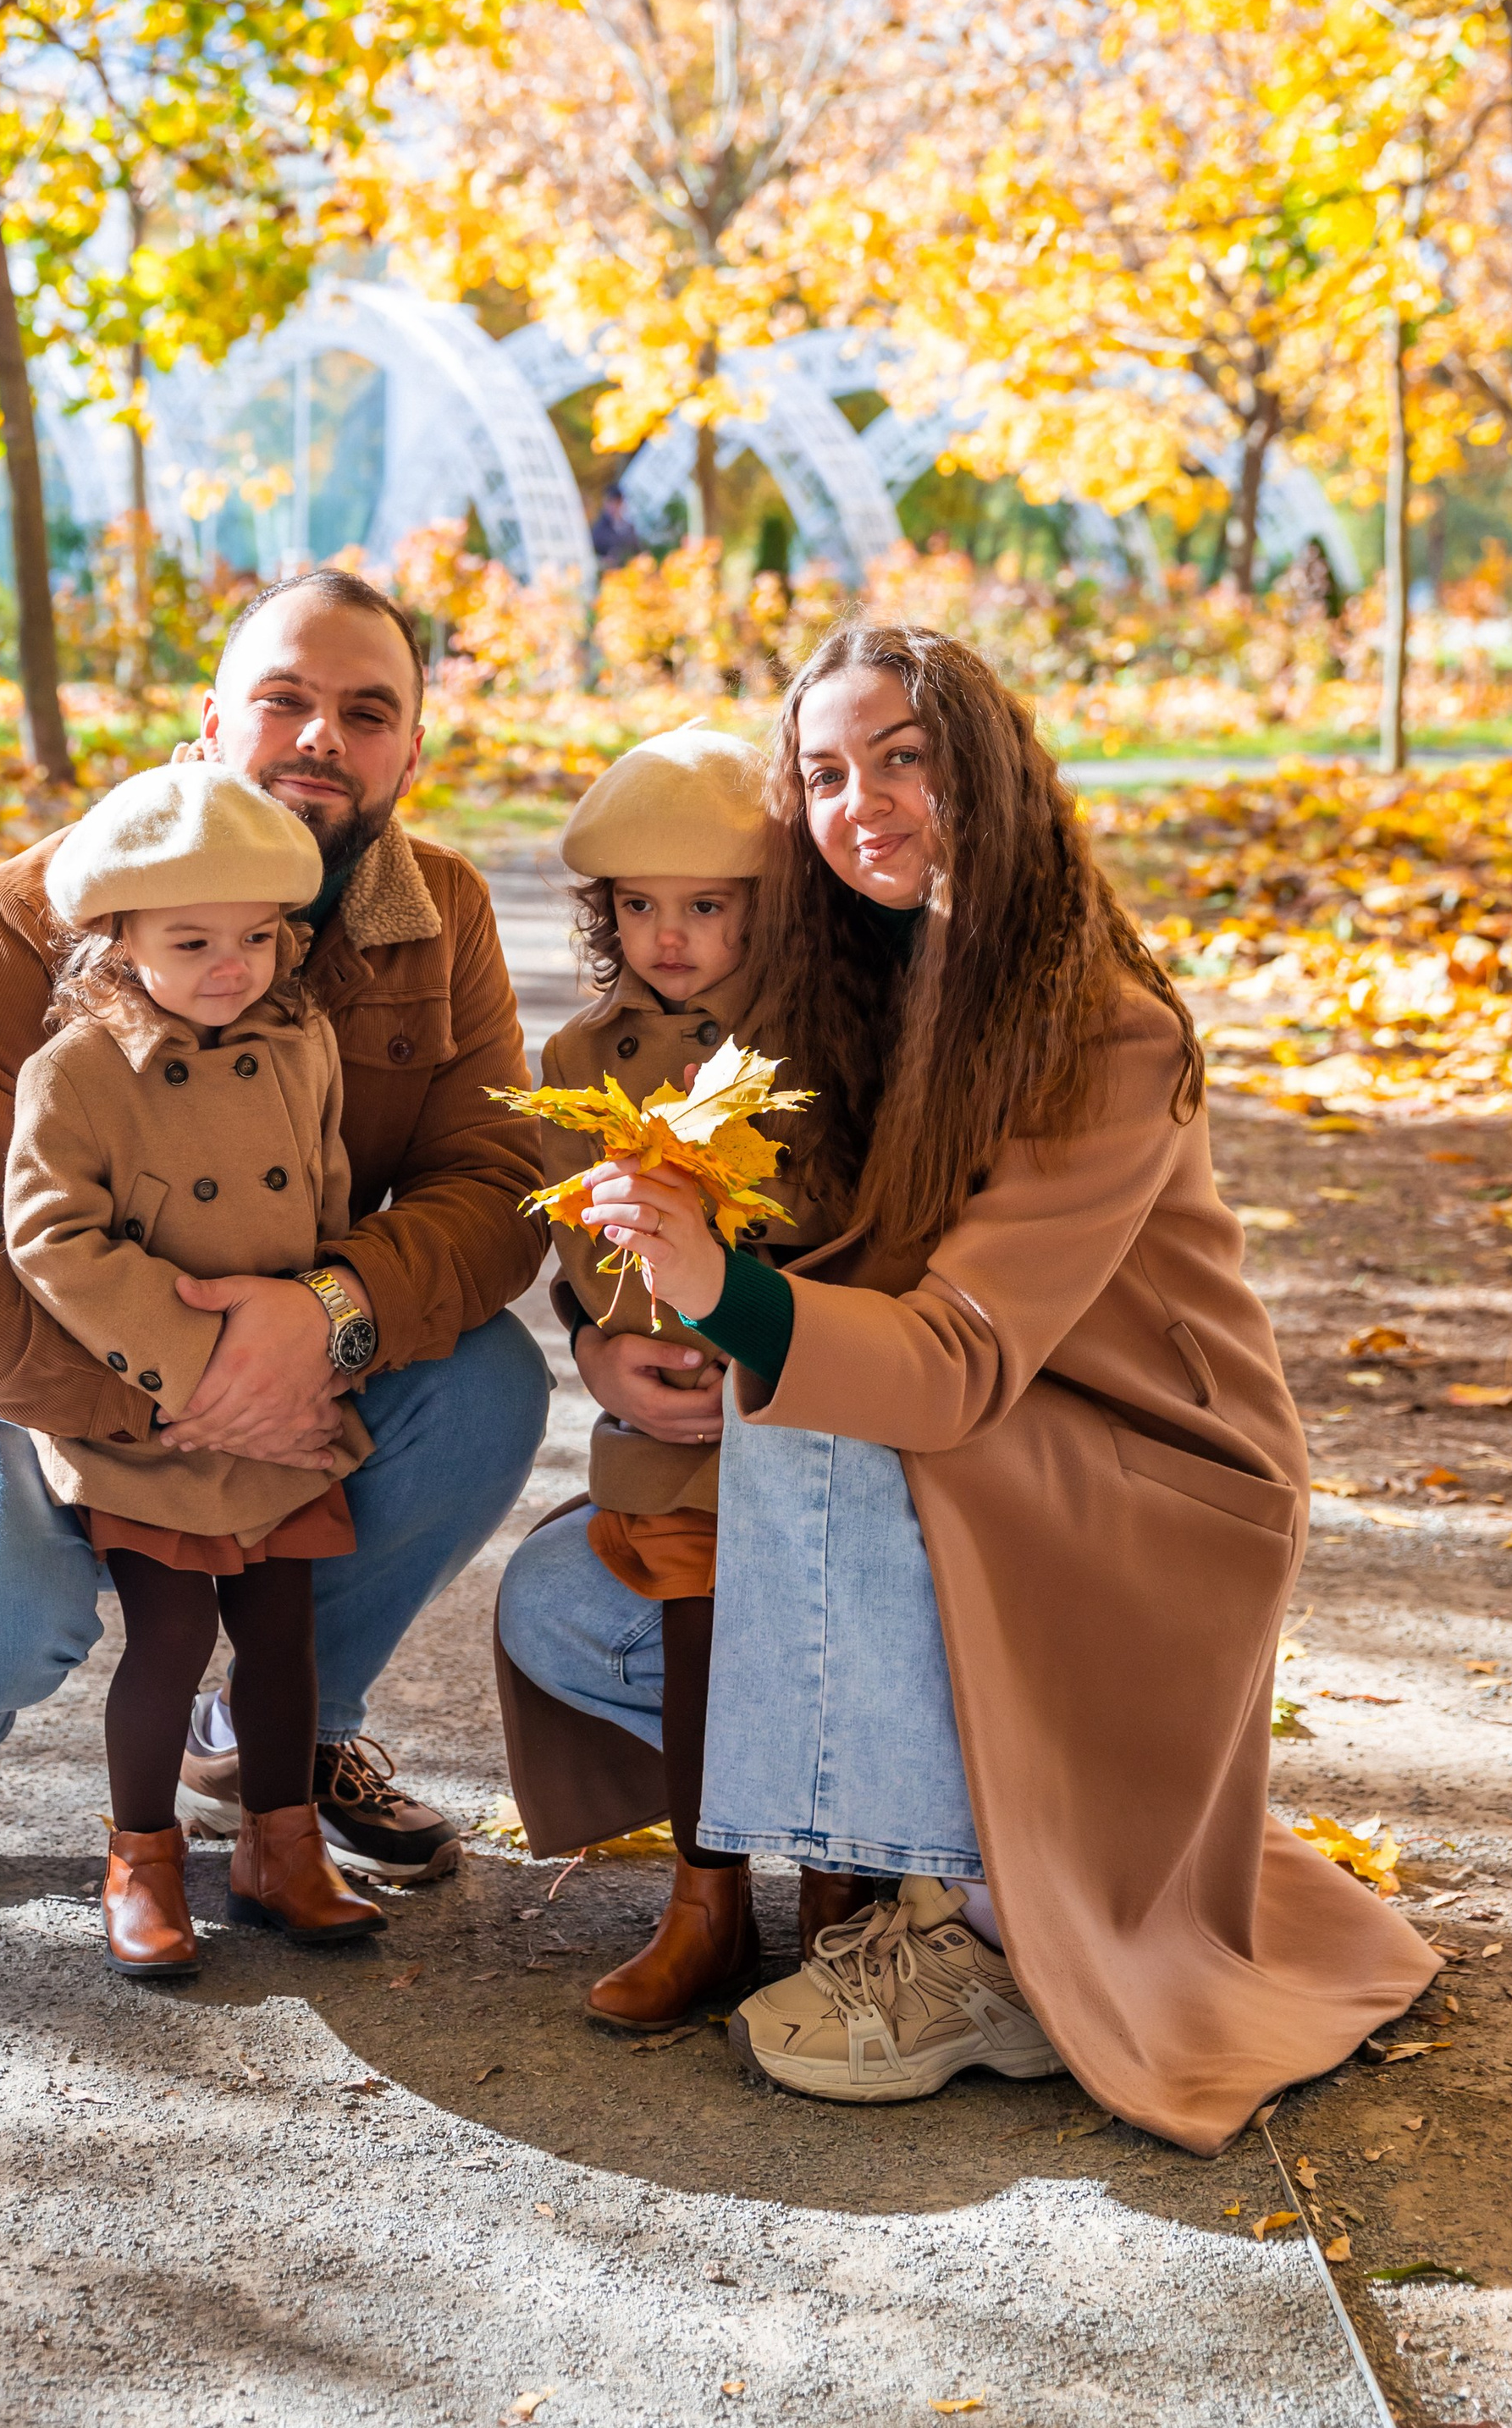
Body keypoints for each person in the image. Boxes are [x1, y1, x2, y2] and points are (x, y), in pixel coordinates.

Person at [501, 621, 1438, 2156]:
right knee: (566, 1601)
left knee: (806, 1421)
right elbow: (795, 1278)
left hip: (1141, 1482)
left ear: (982, 769)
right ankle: (927, 1865)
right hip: (977, 1462)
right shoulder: (862, 989)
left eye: (902, 759)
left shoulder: (1100, 1027)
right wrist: (621, 1332)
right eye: (820, 774)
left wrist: (729, 1301)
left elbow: (946, 1361)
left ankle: (979, 1939)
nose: (859, 800)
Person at [0, 567, 550, 1897]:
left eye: (368, 711)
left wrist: (323, 1320)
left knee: (490, 1385)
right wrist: (192, 1388)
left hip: (286, 1337)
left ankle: (280, 1732)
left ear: (413, 751)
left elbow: (496, 1190)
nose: (325, 735)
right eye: (286, 700)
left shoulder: (441, 918)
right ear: (212, 725)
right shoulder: (28, 915)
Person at [497, 720, 863, 2030]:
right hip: (666, 1409)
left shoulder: (815, 1044)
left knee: (822, 1622)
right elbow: (565, 1221)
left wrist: (755, 1318)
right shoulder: (579, 1058)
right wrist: (611, 1331)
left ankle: (841, 1880)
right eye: (640, 908)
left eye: (706, 907)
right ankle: (708, 1895)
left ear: (768, 909)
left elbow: (846, 1216)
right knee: (693, 1616)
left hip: (804, 1394)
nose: (670, 937)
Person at [3, 763, 382, 1972]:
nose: (233, 966)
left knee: (284, 1635)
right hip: (158, 1420)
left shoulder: (302, 1044)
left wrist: (320, 1349)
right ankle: (142, 1858)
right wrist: (191, 1370)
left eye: (259, 937)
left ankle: (282, 1848)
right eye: (193, 940)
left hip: (283, 1415)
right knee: (166, 1639)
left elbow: (324, 1204)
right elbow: (52, 1238)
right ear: (119, 939)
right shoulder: (76, 1071)